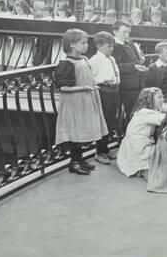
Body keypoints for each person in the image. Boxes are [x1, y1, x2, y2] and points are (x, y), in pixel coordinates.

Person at [54, 29, 108, 175]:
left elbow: (87, 76)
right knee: (74, 130)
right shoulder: (67, 63)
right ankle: (74, 162)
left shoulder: (84, 59)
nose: (86, 46)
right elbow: (63, 87)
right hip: (74, 102)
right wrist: (83, 88)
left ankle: (80, 159)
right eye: (82, 43)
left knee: (81, 130)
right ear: (72, 44)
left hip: (85, 100)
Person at [117, 87, 165, 178]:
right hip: (139, 147)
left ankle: (142, 167)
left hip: (133, 145)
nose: (162, 99)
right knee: (164, 157)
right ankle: (142, 169)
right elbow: (164, 119)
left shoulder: (142, 111)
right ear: (149, 100)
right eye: (159, 97)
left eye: (162, 97)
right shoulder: (146, 113)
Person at [89, 31, 121, 165]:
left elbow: (116, 73)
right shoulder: (95, 60)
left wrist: (116, 80)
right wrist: (104, 80)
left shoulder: (111, 59)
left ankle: (106, 149)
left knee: (110, 121)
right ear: (100, 46)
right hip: (103, 92)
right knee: (103, 121)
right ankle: (100, 151)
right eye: (109, 46)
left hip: (113, 91)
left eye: (112, 46)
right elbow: (90, 79)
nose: (112, 49)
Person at [111, 21, 147, 122]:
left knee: (138, 111)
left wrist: (140, 61)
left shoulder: (129, 42)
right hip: (126, 86)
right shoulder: (114, 46)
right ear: (115, 32)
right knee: (130, 112)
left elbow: (136, 59)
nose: (127, 35)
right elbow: (116, 66)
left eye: (128, 32)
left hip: (137, 83)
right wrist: (134, 67)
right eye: (124, 32)